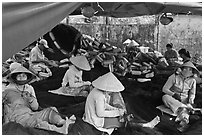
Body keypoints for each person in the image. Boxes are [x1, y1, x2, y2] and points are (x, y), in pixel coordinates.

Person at [2, 65, 75, 134]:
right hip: (17, 118)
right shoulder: (7, 90)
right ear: (15, 77)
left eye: (24, 76)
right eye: (19, 76)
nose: (21, 78)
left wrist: (30, 99)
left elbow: (35, 107)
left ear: (27, 77)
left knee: (49, 111)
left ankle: (62, 122)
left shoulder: (29, 88)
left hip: (30, 113)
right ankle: (58, 130)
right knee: (37, 122)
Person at [162, 61, 199, 131]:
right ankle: (186, 108)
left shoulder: (193, 80)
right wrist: (173, 94)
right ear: (181, 69)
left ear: (192, 72)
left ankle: (184, 122)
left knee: (183, 110)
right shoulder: (174, 77)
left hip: (184, 101)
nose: (187, 71)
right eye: (185, 68)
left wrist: (190, 102)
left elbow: (192, 93)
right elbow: (164, 89)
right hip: (173, 100)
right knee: (165, 97)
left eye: (190, 69)